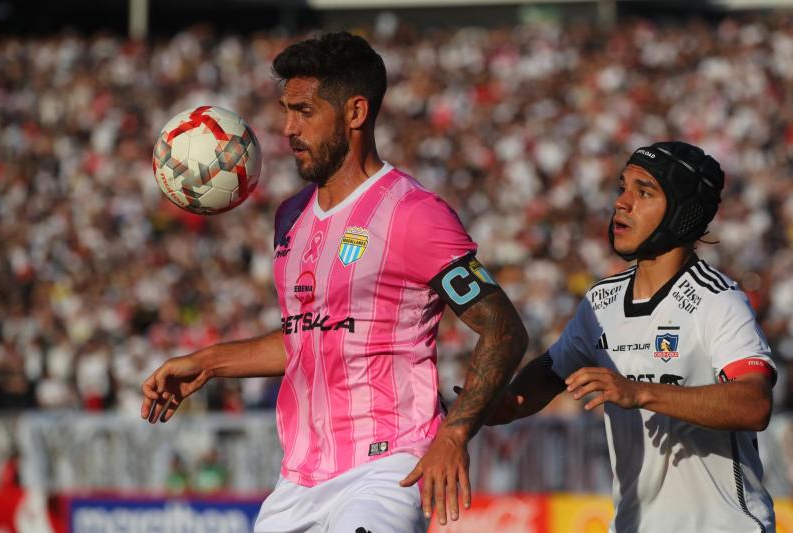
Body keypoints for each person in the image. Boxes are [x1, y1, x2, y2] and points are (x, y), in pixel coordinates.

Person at [141, 31, 527, 532]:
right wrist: (210, 363)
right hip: (299, 480)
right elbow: (311, 337)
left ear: (355, 113)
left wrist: (453, 435)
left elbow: (503, 328)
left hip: (386, 468)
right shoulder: (290, 217)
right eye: (285, 110)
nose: (287, 128)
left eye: (304, 111)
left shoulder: (414, 214)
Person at [482, 141, 776, 532]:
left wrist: (639, 392)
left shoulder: (717, 299)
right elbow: (551, 371)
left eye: (644, 191)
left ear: (682, 212)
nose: (622, 202)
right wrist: (510, 403)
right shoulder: (601, 301)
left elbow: (754, 404)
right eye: (622, 187)